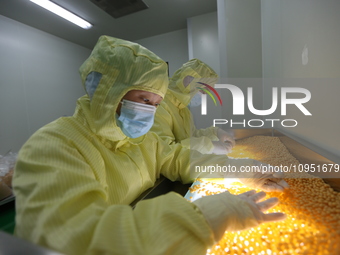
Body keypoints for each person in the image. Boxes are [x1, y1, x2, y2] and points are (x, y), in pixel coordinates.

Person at [13, 36, 288, 255]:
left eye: (156, 104)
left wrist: (242, 170)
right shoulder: (54, 145)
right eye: (145, 101)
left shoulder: (142, 140)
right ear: (108, 92)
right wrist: (204, 217)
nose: (151, 113)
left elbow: (179, 157)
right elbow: (76, 238)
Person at [151, 58, 235, 155]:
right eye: (203, 91)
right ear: (188, 81)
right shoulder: (159, 106)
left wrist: (215, 132)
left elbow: (192, 136)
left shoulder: (184, 110)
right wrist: (208, 146)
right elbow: (165, 150)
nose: (204, 96)